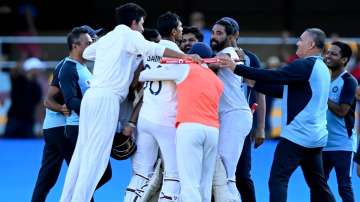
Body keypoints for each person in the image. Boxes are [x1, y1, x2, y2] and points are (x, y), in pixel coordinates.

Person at [59, 3, 200, 202]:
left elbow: (88, 54)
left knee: (82, 153)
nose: (143, 29)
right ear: (134, 23)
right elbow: (154, 49)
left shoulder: (109, 37)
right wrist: (185, 56)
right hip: (107, 99)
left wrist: (118, 53)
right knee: (96, 158)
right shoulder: (130, 35)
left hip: (91, 97)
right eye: (142, 24)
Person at [217, 28, 336, 202]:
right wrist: (253, 83)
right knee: (318, 184)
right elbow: (282, 91)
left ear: (311, 44)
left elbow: (274, 76)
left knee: (278, 180)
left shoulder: (304, 65)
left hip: (297, 136)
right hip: (315, 137)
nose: (297, 42)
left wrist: (237, 68)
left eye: (301, 40)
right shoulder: (322, 68)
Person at [139, 42, 223, 202]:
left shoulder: (184, 68)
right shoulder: (217, 80)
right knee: (205, 184)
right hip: (213, 131)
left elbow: (144, 76)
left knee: (189, 185)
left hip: (190, 128)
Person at [125, 11, 183, 201]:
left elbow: (139, 77)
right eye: (180, 27)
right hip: (166, 119)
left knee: (141, 174)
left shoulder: (150, 50)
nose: (182, 30)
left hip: (146, 118)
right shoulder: (179, 55)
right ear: (174, 32)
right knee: (174, 175)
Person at [210, 18, 253, 202]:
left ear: (232, 36)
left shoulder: (228, 53)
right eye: (213, 32)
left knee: (226, 173)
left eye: (219, 33)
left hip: (234, 114)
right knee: (222, 171)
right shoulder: (232, 53)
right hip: (230, 115)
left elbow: (221, 61)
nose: (213, 37)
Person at [322, 41, 357, 202]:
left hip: (342, 142)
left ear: (344, 60)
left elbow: (342, 111)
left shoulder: (349, 81)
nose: (328, 56)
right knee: (317, 184)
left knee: (344, 186)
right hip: (321, 141)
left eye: (333, 54)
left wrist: (322, 96)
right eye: (328, 52)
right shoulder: (322, 78)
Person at [4, 57, 43, 138]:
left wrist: (39, 124)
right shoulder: (18, 79)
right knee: (7, 145)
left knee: (28, 147)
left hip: (28, 122)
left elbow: (38, 106)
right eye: (38, 69)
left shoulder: (37, 86)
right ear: (32, 69)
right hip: (14, 120)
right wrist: (24, 62)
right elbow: (14, 70)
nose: (39, 72)